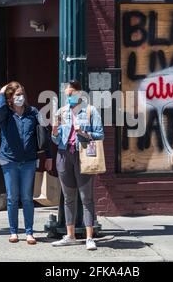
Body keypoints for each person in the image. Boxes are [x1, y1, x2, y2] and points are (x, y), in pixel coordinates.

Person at [0, 82, 53, 244]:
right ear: (10, 98)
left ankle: (29, 232)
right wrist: (2, 90)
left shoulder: (32, 112)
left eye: (21, 94)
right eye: (16, 95)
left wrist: (49, 156)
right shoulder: (5, 113)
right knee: (12, 197)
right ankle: (13, 232)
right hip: (9, 160)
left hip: (29, 160)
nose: (20, 98)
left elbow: (44, 133)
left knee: (27, 197)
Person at [51, 80, 104, 251]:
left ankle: (89, 237)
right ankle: (70, 235)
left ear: (80, 93)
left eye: (72, 93)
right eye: (67, 94)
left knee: (86, 197)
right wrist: (54, 131)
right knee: (68, 198)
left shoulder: (90, 111)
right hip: (64, 155)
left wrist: (84, 133)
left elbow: (100, 135)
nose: (69, 96)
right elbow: (56, 140)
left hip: (83, 155)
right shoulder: (61, 112)